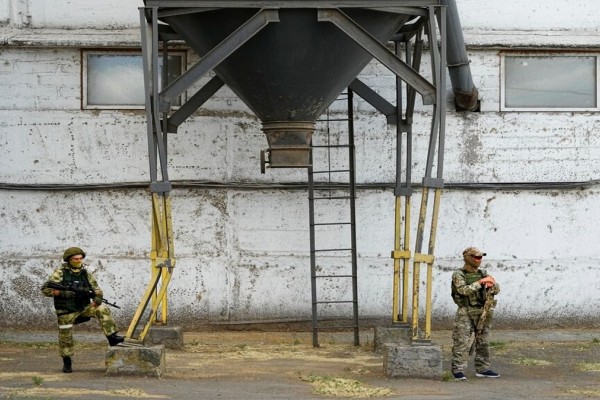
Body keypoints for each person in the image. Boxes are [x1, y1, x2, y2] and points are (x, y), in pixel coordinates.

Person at [41, 247, 124, 373]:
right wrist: (62, 293)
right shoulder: (60, 272)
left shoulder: (86, 273)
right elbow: (45, 290)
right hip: (66, 311)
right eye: (75, 259)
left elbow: (96, 288)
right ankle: (67, 361)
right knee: (65, 337)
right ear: (69, 259)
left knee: (102, 308)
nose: (79, 261)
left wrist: (98, 297)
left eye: (80, 258)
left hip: (83, 308)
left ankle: (112, 337)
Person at [450, 247, 500, 380]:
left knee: (483, 341)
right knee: (462, 341)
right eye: (476, 257)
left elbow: (496, 288)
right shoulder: (459, 274)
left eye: (480, 257)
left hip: (482, 311)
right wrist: (480, 283)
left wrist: (491, 285)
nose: (479, 260)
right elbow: (463, 291)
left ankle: (483, 368)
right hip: (465, 311)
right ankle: (458, 369)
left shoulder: (483, 273)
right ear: (468, 258)